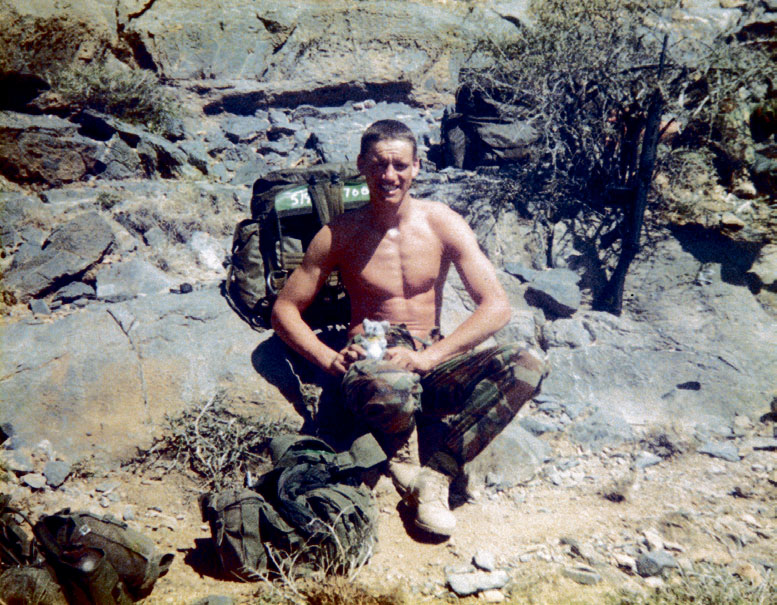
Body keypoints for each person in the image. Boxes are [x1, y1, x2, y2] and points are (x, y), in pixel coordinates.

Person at [271, 119, 548, 537]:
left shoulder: (442, 222)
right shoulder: (339, 234)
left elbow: (496, 306)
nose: (389, 176)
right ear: (362, 165)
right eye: (379, 165)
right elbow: (285, 310)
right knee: (391, 385)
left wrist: (428, 358)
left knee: (526, 364)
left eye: (400, 165)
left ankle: (435, 477)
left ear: (417, 167)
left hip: (430, 358)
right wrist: (328, 359)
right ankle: (401, 454)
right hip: (374, 359)